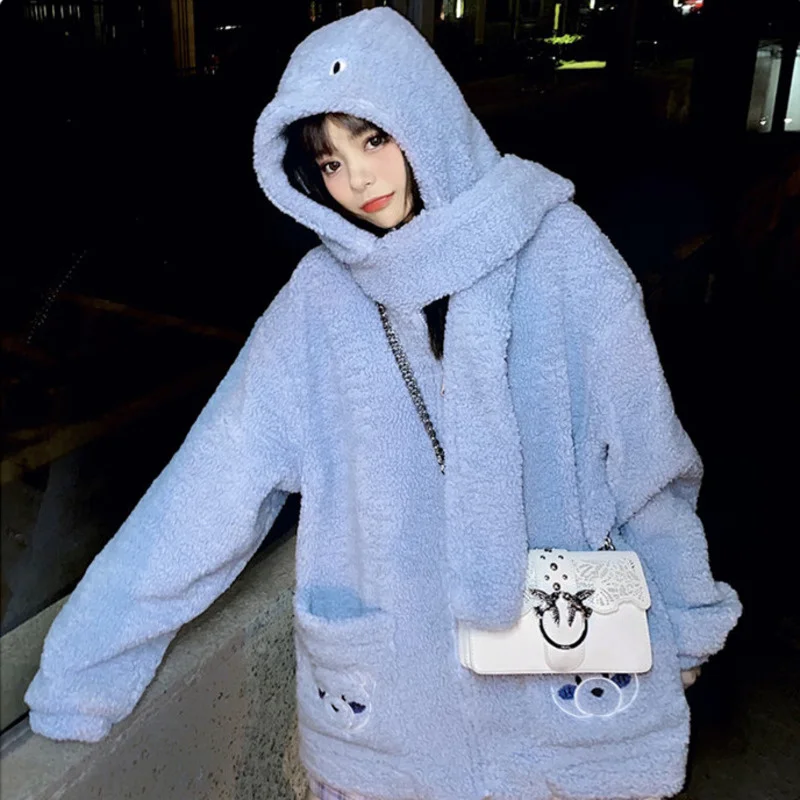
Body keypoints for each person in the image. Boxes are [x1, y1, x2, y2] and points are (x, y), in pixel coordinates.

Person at [25, 9, 741, 800]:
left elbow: (649, 460)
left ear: (426, 120)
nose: (359, 180)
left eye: (373, 140)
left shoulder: (564, 255)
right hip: (396, 714)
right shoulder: (318, 304)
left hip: (563, 689)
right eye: (330, 162)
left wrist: (689, 617)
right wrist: (84, 667)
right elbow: (208, 488)